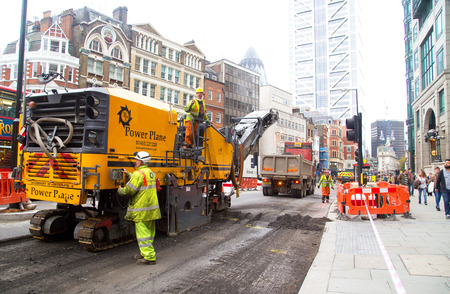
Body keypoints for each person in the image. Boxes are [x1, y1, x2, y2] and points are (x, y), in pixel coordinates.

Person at [118, 151, 161, 265]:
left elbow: (129, 190)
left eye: (137, 160)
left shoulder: (138, 174)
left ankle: (149, 257)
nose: (135, 162)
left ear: (141, 162)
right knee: (149, 233)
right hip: (151, 209)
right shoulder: (149, 172)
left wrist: (120, 190)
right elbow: (141, 180)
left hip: (142, 209)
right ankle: (145, 252)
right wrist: (128, 174)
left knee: (142, 234)